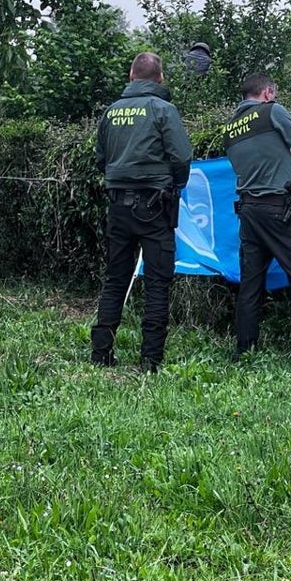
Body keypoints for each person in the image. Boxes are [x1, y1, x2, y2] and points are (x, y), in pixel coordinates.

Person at [91, 52, 193, 371]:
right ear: (159, 78)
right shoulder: (164, 109)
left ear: (131, 76)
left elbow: (100, 158)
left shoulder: (111, 112)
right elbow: (181, 157)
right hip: (155, 206)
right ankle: (150, 359)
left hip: (118, 206)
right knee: (158, 282)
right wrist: (175, 186)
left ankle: (101, 353)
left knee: (116, 279)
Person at [222, 72, 291, 362]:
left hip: (249, 213)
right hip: (279, 210)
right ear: (267, 92)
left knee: (251, 283)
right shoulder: (272, 111)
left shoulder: (230, 130)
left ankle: (245, 350)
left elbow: (269, 157)